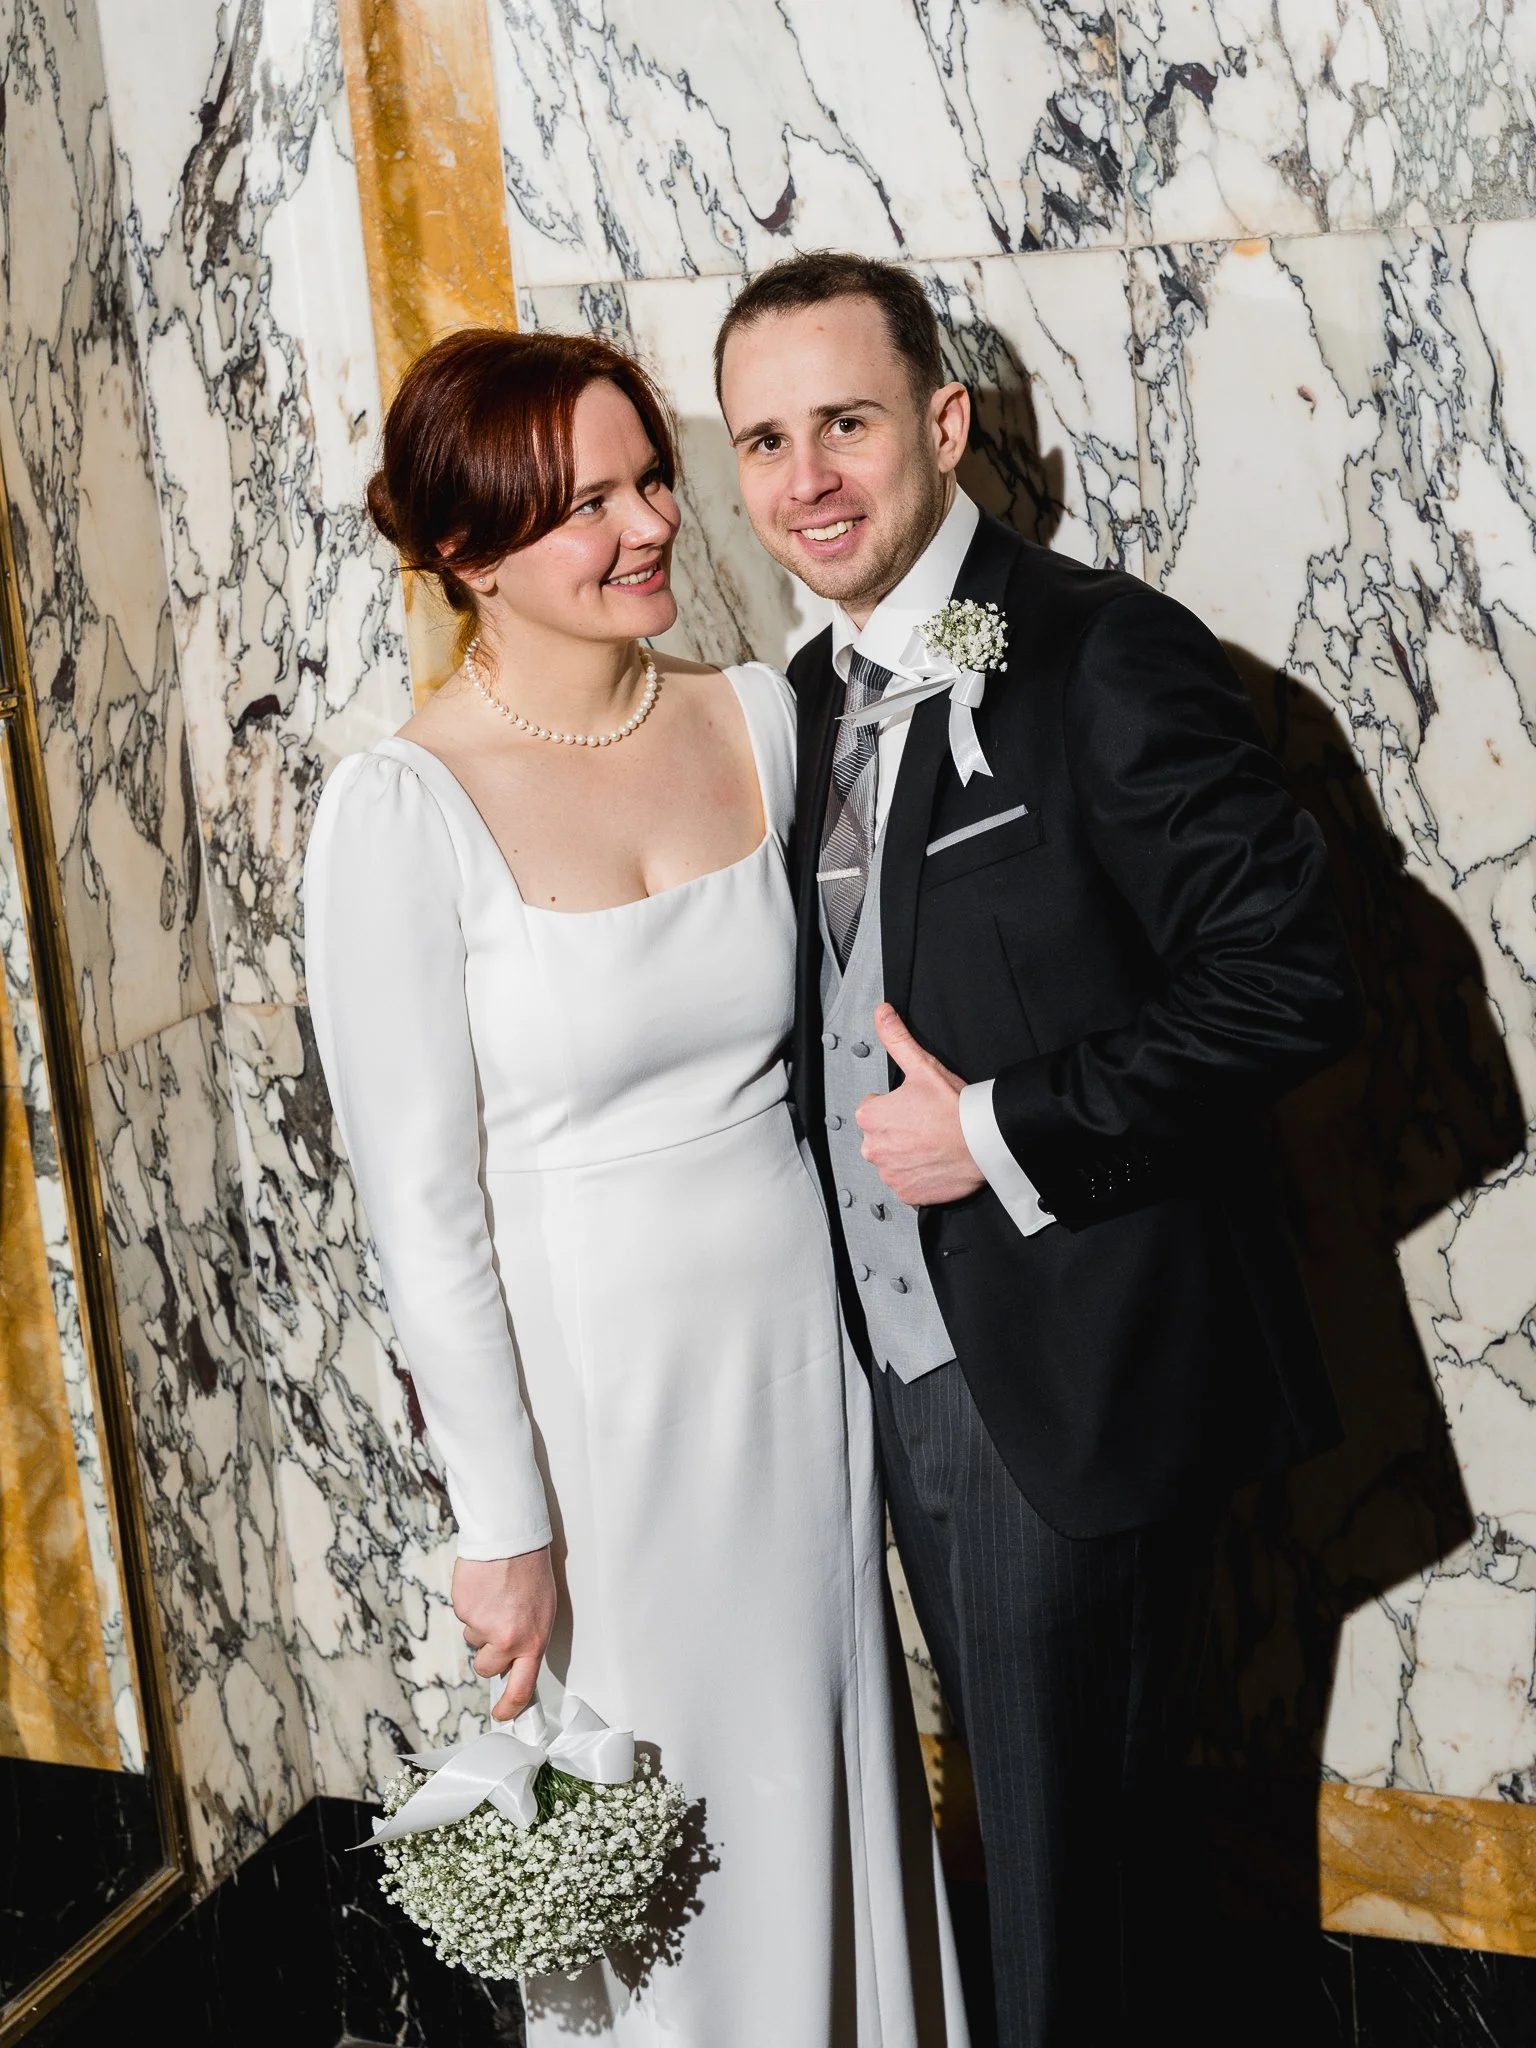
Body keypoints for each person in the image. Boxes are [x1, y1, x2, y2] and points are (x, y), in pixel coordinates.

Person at [715, 252, 1362, 2047]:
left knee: (1076, 1888)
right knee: (1026, 1848)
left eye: (844, 422)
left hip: (1066, 1370)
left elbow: (1292, 976)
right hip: (885, 1380)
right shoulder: (799, 701)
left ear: (944, 423)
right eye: (765, 440)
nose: (807, 480)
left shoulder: (1100, 650)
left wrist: (1002, 1126)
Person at [302, 327, 968, 2046]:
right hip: (598, 1415)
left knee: (817, 1775)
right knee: (662, 1848)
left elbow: (958, 699)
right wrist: (502, 1528)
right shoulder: (403, 807)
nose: (649, 525)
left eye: (650, 478)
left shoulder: (758, 709)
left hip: (796, 1370)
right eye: (582, 505)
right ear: (466, 554)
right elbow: (421, 1214)